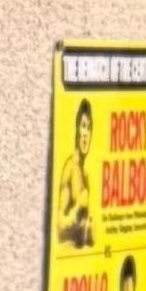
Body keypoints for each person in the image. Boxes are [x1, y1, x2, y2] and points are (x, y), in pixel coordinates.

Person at [56, 99, 96, 250]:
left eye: (89, 128)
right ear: (77, 129)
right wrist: (78, 207)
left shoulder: (85, 175)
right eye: (83, 126)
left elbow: (84, 235)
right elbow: (59, 228)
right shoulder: (70, 169)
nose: (86, 134)